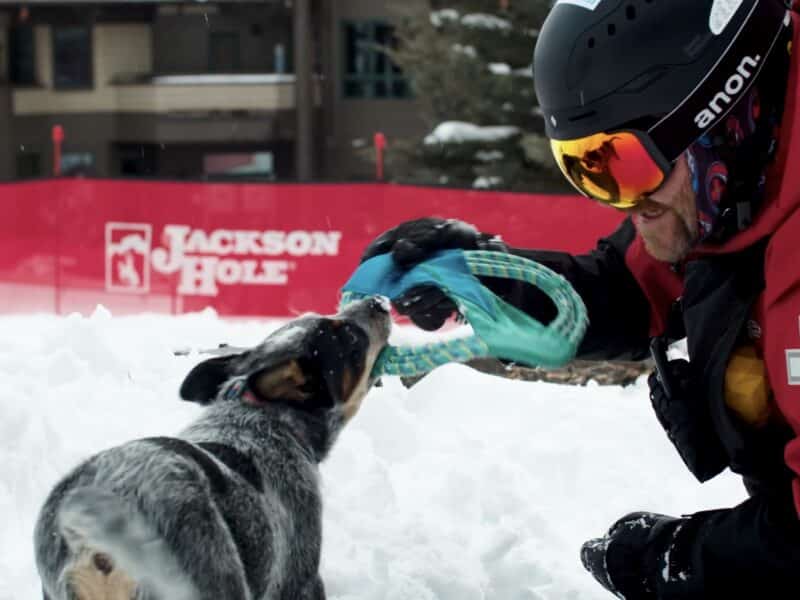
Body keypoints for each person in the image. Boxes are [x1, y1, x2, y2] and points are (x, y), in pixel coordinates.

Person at [361, 0, 800, 597]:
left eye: (620, 164)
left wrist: (673, 560)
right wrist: (485, 279)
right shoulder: (733, 182)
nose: (620, 204)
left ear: (721, 114)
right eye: (585, 170)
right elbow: (625, 287)